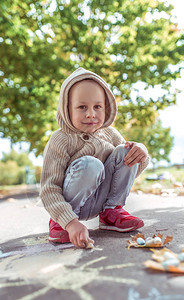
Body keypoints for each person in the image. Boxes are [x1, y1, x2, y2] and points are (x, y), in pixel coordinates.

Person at [40, 67, 149, 249]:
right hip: (69, 206)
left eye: (97, 107)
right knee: (91, 164)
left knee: (125, 150)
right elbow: (49, 188)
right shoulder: (60, 139)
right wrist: (69, 222)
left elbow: (134, 165)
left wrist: (142, 151)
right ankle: (60, 224)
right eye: (82, 107)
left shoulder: (110, 134)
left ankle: (111, 212)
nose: (91, 113)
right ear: (67, 109)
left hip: (101, 199)